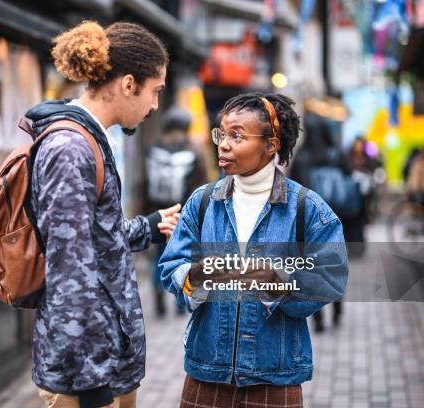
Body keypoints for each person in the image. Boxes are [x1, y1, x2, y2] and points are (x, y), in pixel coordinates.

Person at [25, 21, 181, 408]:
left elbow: (93, 238)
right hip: (87, 375)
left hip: (108, 358)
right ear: (129, 84)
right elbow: (68, 271)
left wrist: (148, 227)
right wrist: (92, 386)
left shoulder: (90, 137)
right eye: (155, 92)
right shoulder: (70, 148)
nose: (155, 106)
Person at [159, 93, 349, 408]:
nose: (224, 144)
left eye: (237, 135)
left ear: (271, 144)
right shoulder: (203, 202)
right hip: (207, 373)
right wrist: (199, 276)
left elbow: (330, 279)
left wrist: (275, 281)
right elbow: (172, 268)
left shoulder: (306, 208)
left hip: (275, 378)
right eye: (221, 133)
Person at [290, 115, 353, 331]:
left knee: (309, 268)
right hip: (337, 216)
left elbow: (293, 188)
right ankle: (337, 309)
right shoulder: (336, 154)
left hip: (307, 220)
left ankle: (317, 319)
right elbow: (349, 177)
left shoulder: (302, 155)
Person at [144, 107, 208, 317]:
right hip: (183, 214)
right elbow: (200, 186)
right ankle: (181, 304)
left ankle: (158, 297)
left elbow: (145, 184)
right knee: (184, 258)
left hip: (159, 214)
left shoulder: (153, 150)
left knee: (159, 258)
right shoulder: (193, 153)